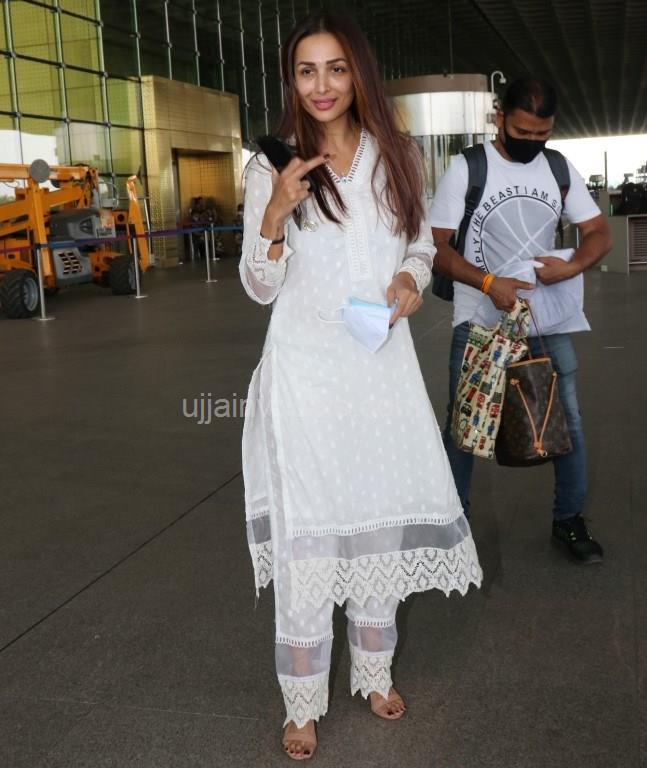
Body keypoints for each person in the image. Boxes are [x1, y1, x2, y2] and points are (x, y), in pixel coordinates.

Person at [239, 10, 482, 761]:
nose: (321, 85)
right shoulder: (270, 167)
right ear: (291, 80)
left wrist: (409, 280)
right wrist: (274, 215)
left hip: (379, 370)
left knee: (377, 525)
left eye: (336, 68)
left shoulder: (394, 156)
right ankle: (302, 700)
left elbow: (417, 245)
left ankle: (374, 671)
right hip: (304, 377)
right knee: (309, 541)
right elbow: (258, 286)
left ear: (358, 75)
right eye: (306, 70)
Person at [429, 77, 612, 565]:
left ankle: (568, 519)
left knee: (566, 420)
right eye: (522, 131)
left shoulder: (557, 167)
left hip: (545, 321)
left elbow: (598, 231)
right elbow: (436, 247)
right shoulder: (468, 168)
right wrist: (489, 283)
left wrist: (572, 266)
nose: (532, 141)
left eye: (542, 133)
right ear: (500, 119)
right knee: (465, 425)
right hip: (479, 320)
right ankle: (454, 530)